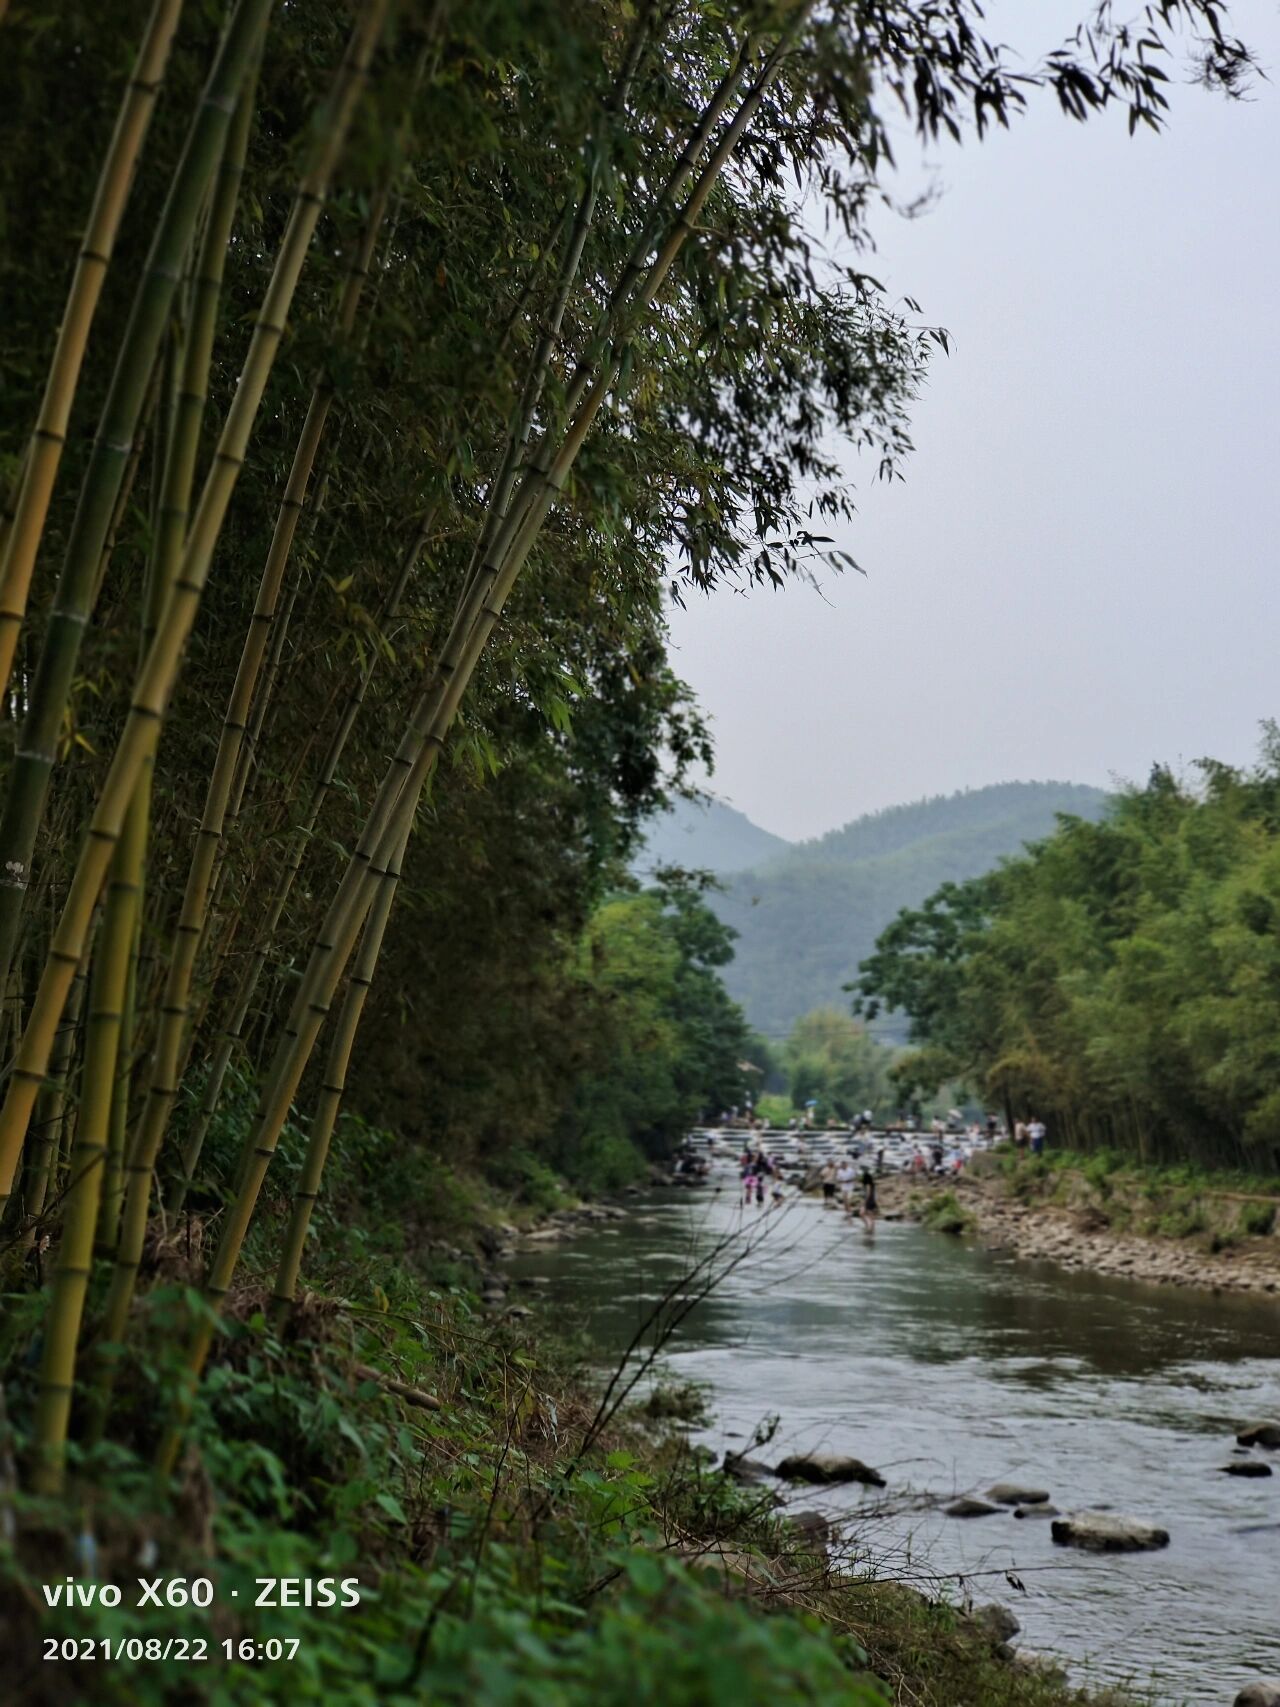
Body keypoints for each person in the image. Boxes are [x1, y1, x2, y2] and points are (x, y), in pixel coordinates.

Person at [859, 1167, 878, 1232]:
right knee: (864, 1214)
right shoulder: (871, 1184)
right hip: (870, 1200)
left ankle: (870, 1228)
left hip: (869, 1201)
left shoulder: (868, 1185)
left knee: (867, 1214)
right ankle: (869, 1227)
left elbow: (868, 1193)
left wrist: (864, 1202)